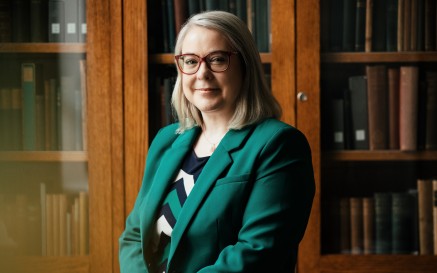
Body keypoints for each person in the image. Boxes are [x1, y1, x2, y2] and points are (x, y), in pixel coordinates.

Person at [119, 10, 315, 273]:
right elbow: (134, 237)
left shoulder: (278, 144)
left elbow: (258, 253)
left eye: (218, 59)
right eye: (190, 61)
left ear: (245, 66)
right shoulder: (167, 140)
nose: (202, 73)